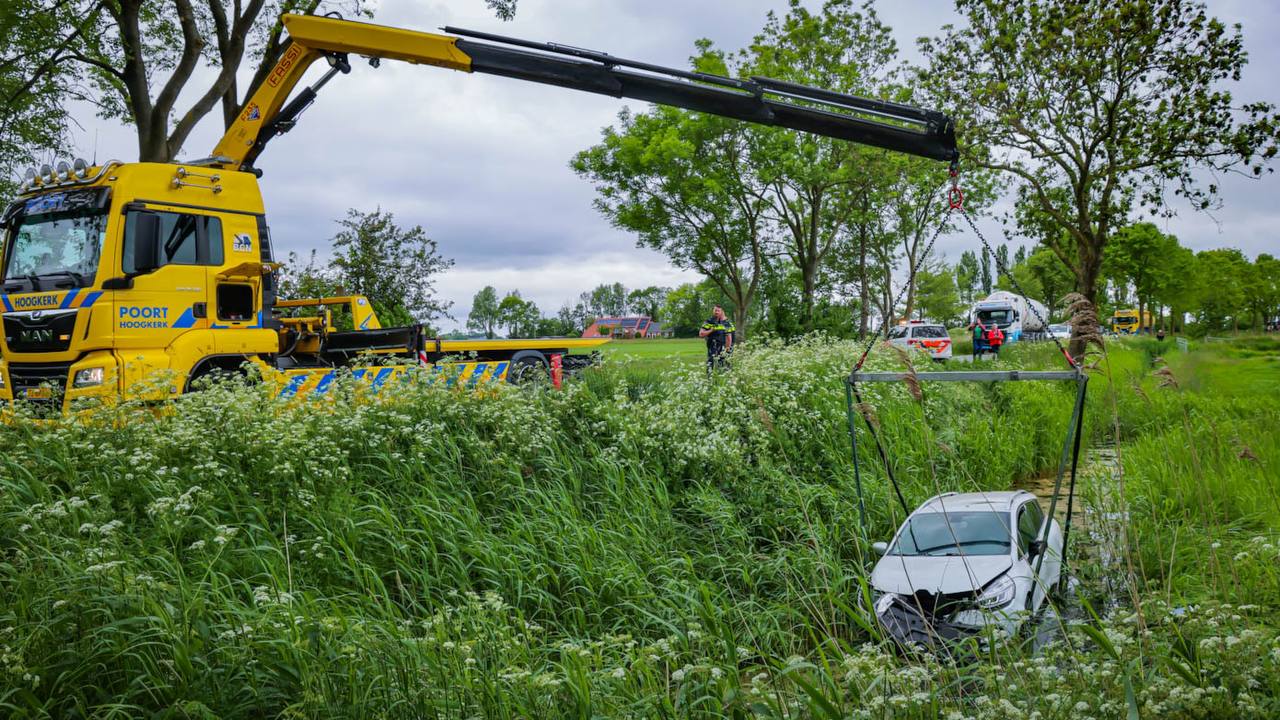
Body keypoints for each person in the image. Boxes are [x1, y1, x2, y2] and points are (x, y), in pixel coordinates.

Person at [699, 305, 735, 375]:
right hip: (712, 347)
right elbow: (701, 334)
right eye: (715, 310)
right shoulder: (709, 321)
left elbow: (729, 337)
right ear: (713, 311)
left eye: (718, 311)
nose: (716, 312)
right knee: (710, 364)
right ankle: (709, 380)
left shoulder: (726, 323)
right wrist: (711, 330)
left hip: (724, 348)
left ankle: (723, 380)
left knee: (724, 365)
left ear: (722, 312)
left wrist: (727, 350)